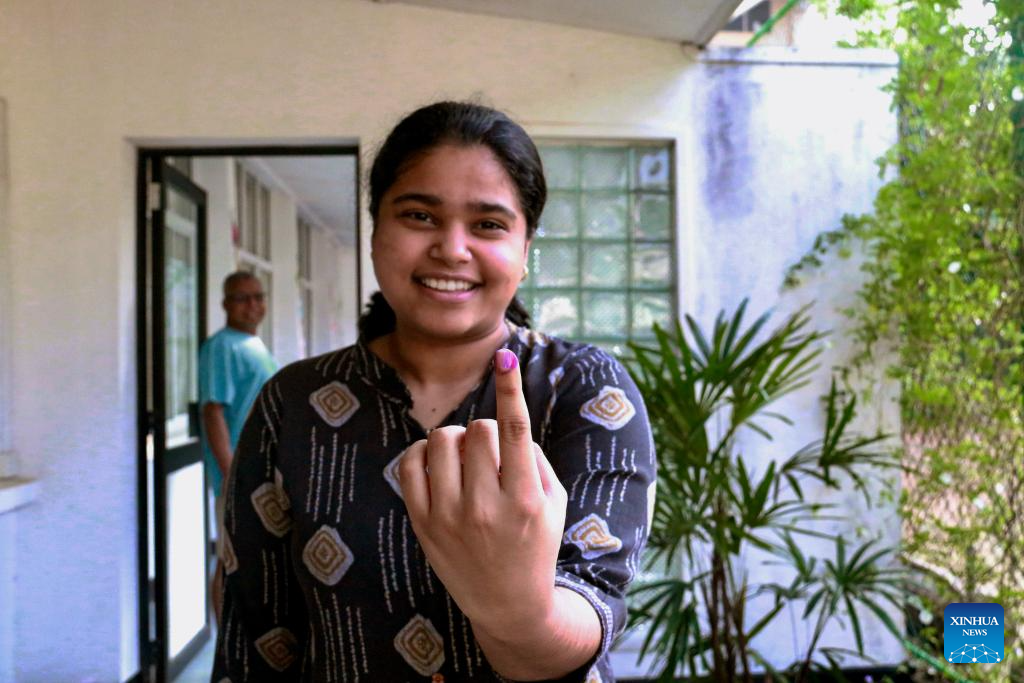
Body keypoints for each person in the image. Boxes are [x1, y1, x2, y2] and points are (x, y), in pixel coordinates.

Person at [212, 102, 656, 682]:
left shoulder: (585, 389)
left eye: (488, 224)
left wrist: (516, 609)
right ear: (375, 232)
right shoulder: (292, 403)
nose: (452, 248)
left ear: (525, 250)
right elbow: (256, 634)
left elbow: (590, 610)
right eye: (419, 215)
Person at [198, 270, 279, 621]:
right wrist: (232, 473)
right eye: (242, 298)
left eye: (258, 297)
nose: (252, 305)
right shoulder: (222, 347)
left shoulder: (254, 345)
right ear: (225, 304)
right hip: (238, 475)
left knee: (249, 558)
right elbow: (213, 411)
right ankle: (224, 643)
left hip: (261, 472)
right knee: (230, 558)